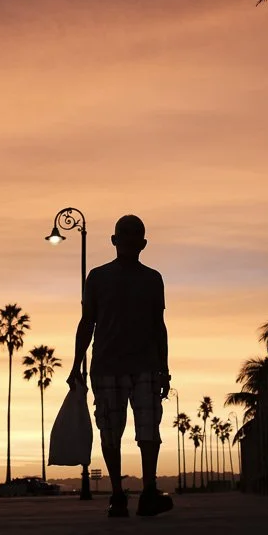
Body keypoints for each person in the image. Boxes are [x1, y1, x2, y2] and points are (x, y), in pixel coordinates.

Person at [67, 214, 173, 518]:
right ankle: (117, 494)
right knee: (110, 431)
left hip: (145, 366)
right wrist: (75, 365)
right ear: (114, 240)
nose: (128, 239)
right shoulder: (97, 277)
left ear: (143, 243)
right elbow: (87, 322)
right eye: (123, 234)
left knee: (148, 429)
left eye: (134, 234)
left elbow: (158, 325)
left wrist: (164, 368)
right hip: (107, 367)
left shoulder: (152, 279)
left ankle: (149, 490)